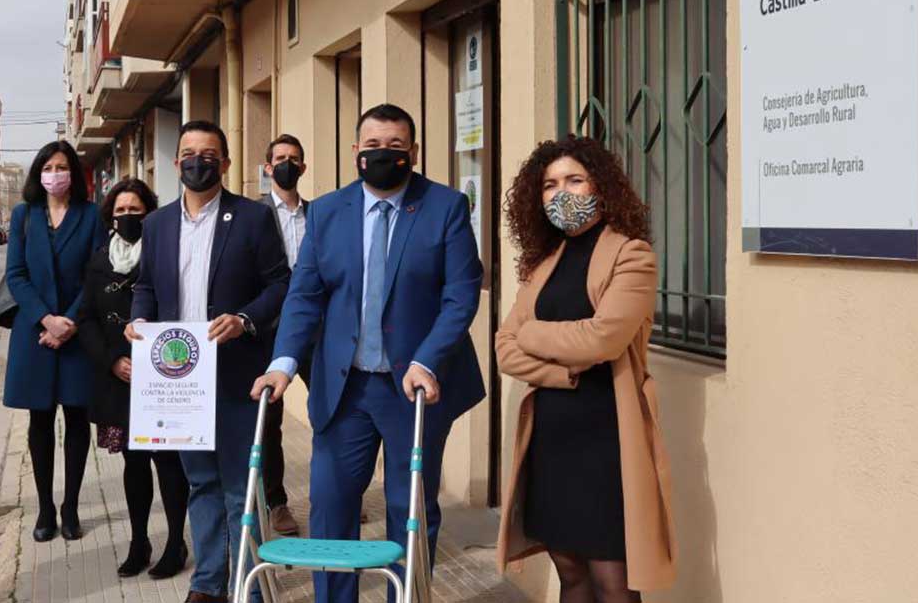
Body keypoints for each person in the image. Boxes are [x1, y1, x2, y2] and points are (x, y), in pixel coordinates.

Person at [252, 104, 485, 603]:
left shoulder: (445, 207)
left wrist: (427, 359)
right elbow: (305, 295)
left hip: (414, 386)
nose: (384, 155)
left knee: (410, 507)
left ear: (413, 153)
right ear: (356, 152)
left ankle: (407, 595)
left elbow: (461, 293)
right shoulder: (329, 212)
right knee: (331, 505)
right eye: (373, 146)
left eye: (396, 147)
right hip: (345, 386)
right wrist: (283, 363)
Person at [493, 136, 675, 602]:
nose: (562, 193)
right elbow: (504, 351)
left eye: (574, 179)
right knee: (570, 571)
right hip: (551, 437)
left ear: (601, 185)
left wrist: (533, 333)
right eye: (550, 185)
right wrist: (563, 370)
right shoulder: (543, 263)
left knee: (612, 579)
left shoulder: (630, 254)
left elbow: (602, 339)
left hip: (607, 438)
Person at [127, 120, 291, 603]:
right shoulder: (156, 224)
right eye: (190, 153)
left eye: (210, 153)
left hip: (238, 372)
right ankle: (208, 583)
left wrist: (245, 319)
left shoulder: (252, 218)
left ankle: (250, 587)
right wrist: (137, 322)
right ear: (176, 163)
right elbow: (145, 288)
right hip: (179, 381)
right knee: (200, 483)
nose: (200, 161)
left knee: (242, 487)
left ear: (226, 162)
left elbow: (280, 284)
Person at [77, 178, 190, 579]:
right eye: (120, 211)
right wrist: (112, 362)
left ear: (150, 213)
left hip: (162, 378)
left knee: (168, 463)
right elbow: (86, 319)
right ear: (110, 216)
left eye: (135, 211)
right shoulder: (98, 259)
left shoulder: (165, 253)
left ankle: (176, 543)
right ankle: (138, 542)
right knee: (134, 463)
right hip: (117, 378)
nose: (127, 217)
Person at [3, 140, 105, 542]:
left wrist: (70, 323)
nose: (55, 173)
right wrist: (47, 319)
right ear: (38, 173)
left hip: (78, 335)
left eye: (63, 166)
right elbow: (16, 275)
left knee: (77, 420)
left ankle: (71, 507)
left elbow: (97, 273)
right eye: (48, 166)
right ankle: (45, 507)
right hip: (35, 334)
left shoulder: (91, 214)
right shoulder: (24, 215)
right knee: (40, 422)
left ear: (74, 174)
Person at [259, 134, 308, 536]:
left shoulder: (320, 214)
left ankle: (341, 492)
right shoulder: (254, 216)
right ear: (267, 167)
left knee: (333, 412)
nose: (286, 164)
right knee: (269, 420)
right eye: (279, 159)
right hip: (269, 333)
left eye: (293, 159)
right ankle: (276, 503)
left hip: (315, 328)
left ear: (303, 168)